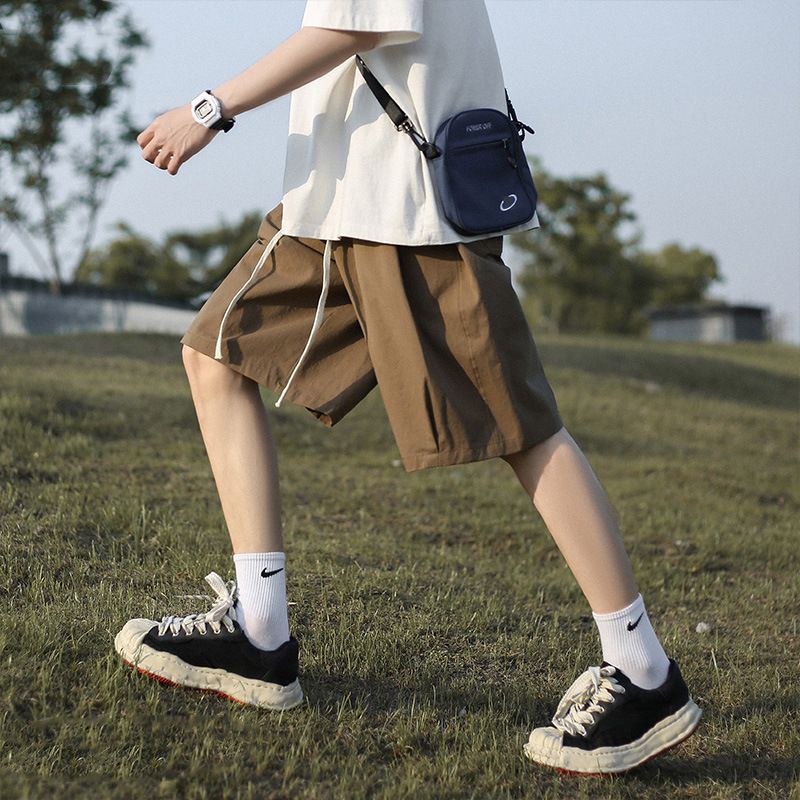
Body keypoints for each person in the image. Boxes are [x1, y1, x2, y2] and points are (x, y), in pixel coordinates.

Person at [114, 0, 701, 776]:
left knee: (518, 427)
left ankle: (645, 673)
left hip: (408, 210)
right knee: (217, 354)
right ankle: (259, 632)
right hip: (333, 203)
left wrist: (210, 108)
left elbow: (358, 24)